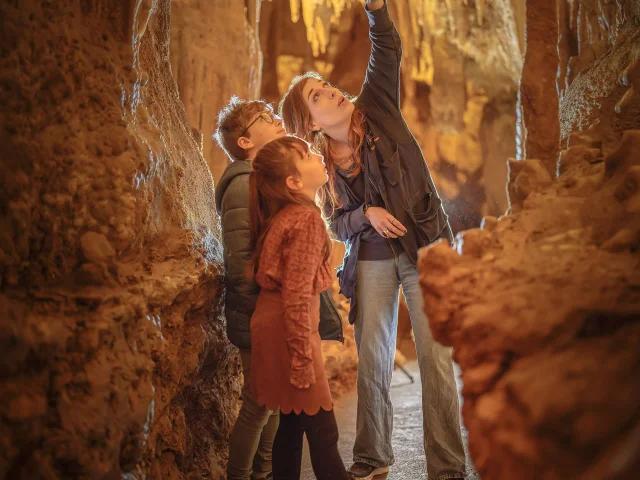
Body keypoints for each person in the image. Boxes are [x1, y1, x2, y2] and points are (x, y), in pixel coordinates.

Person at [278, 1, 468, 480]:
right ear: (311, 123)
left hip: (424, 244)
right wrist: (366, 213)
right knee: (373, 362)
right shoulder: (321, 167)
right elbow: (335, 224)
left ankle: (446, 466)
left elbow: (388, 48)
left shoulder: (377, 108)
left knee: (436, 357)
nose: (334, 92)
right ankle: (373, 456)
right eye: (319, 95)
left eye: (329, 87)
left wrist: (376, 8)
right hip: (372, 260)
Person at [214, 97, 343, 480]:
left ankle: (265, 473)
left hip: (273, 316)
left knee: (283, 419)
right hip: (277, 320)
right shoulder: (263, 197)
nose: (276, 120)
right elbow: (283, 286)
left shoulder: (277, 201)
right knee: (306, 425)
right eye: (264, 118)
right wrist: (299, 353)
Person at [248, 136, 350, 480]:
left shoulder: (287, 215)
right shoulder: (305, 220)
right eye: (306, 155)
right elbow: (294, 295)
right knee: (324, 432)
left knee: (290, 428)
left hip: (275, 324)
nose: (317, 155)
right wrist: (302, 358)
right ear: (293, 181)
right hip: (290, 330)